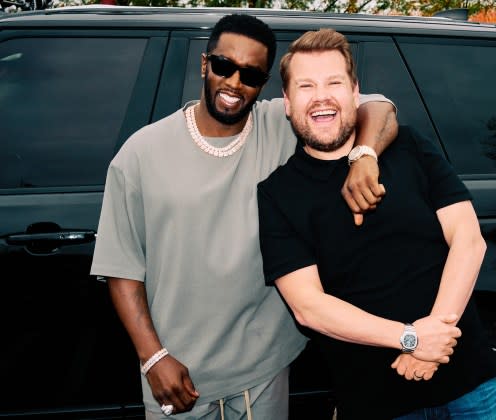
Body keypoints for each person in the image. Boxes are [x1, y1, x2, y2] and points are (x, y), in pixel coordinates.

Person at [90, 14, 399, 420]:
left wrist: (364, 155)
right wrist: (152, 358)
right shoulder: (141, 152)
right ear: (205, 64)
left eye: (251, 74)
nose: (235, 83)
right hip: (177, 373)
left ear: (266, 83)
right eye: (223, 66)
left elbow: (380, 106)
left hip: (264, 369)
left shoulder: (282, 124)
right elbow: (122, 268)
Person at [257, 28, 496, 420]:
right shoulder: (277, 194)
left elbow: (468, 240)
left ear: (355, 92)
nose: (321, 96)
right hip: (376, 401)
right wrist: (412, 339)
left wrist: (434, 338)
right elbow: (309, 307)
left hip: (469, 383)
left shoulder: (410, 146)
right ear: (287, 103)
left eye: (334, 82)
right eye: (306, 86)